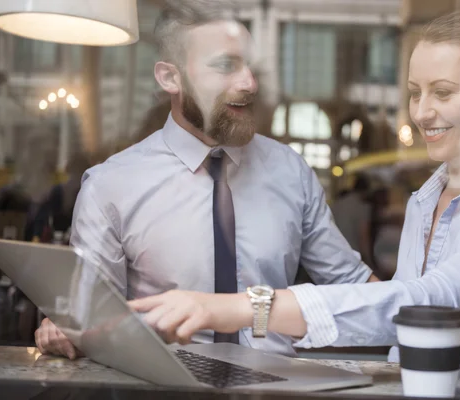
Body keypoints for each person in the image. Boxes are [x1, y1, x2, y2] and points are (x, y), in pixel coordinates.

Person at [129, 12, 460, 367]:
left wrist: (241, 308)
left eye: (443, 92)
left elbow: (430, 303)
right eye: (414, 92)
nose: (421, 112)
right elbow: (400, 330)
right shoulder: (426, 199)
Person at [34, 0, 377, 360]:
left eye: (250, 66)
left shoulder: (290, 172)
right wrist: (68, 329)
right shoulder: (110, 186)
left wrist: (421, 311)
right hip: (162, 387)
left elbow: (354, 289)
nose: (249, 83)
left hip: (276, 387)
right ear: (170, 77)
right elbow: (87, 314)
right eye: (226, 66)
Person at [331, 174, 372, 266]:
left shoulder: (336, 204)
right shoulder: (362, 207)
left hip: (333, 254)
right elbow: (363, 237)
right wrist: (369, 261)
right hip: (353, 257)